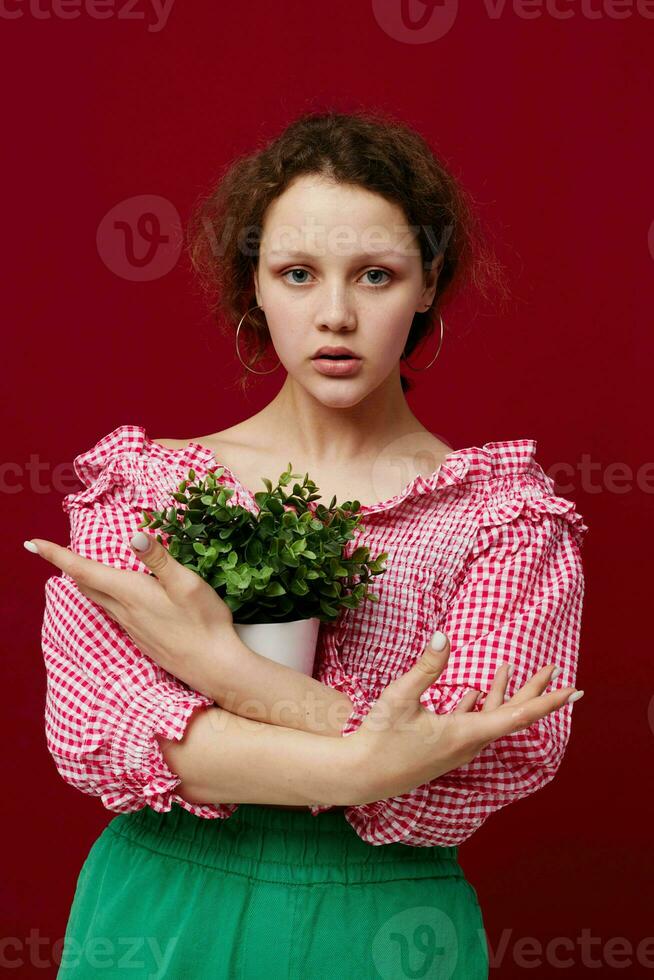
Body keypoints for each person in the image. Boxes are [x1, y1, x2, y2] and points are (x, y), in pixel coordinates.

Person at [29, 109, 588, 978]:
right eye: (297, 273)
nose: (335, 315)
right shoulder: (145, 489)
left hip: (387, 926)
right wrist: (370, 763)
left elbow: (494, 759)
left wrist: (228, 674)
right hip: (164, 909)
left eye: (374, 275)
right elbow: (97, 729)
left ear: (428, 281)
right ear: (253, 282)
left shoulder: (505, 519)